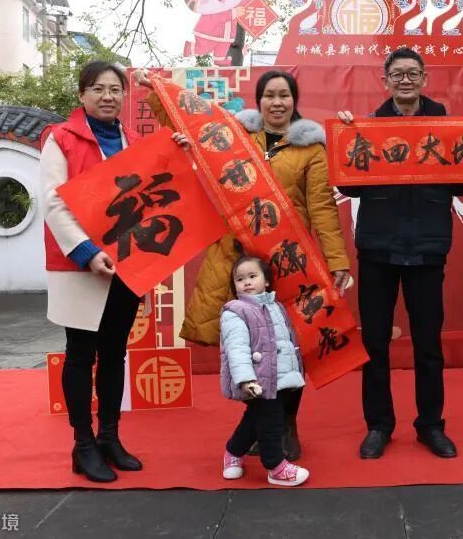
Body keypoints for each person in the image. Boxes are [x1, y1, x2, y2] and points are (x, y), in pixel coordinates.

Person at [138, 69, 351, 461]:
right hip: (239, 264)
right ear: (259, 100)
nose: (277, 103)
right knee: (251, 348)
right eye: (269, 95)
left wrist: (337, 261)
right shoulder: (234, 137)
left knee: (287, 347)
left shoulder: (310, 150)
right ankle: (262, 426)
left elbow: (322, 209)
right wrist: (155, 92)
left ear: (294, 101)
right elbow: (187, 121)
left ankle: (287, 425)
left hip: (287, 263)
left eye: (284, 95)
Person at [40, 61, 186, 482]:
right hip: (79, 265)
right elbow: (53, 201)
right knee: (80, 354)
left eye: (115, 89)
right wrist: (86, 252)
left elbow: (157, 191)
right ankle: (83, 444)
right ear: (81, 95)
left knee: (114, 352)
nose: (108, 96)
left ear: (125, 95)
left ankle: (109, 437)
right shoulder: (60, 138)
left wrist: (178, 152)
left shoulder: (135, 141)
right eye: (98, 89)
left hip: (126, 263)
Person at [336, 47, 463, 460]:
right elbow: (347, 186)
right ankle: (378, 425)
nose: (405, 80)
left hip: (427, 248)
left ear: (424, 79)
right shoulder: (368, 126)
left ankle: (430, 425)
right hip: (378, 249)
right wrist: (346, 138)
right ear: (385, 81)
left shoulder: (446, 124)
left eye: (412, 73)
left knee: (428, 344)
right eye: (397, 74)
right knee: (375, 344)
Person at [219, 255, 310, 486]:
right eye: (240, 279)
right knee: (271, 421)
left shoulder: (276, 306)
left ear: (266, 280)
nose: (247, 282)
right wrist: (246, 379)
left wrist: (294, 371)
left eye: (252, 276)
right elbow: (236, 349)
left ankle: (233, 451)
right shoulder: (235, 311)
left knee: (254, 418)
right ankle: (275, 466)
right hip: (258, 379)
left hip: (280, 377)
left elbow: (287, 340)